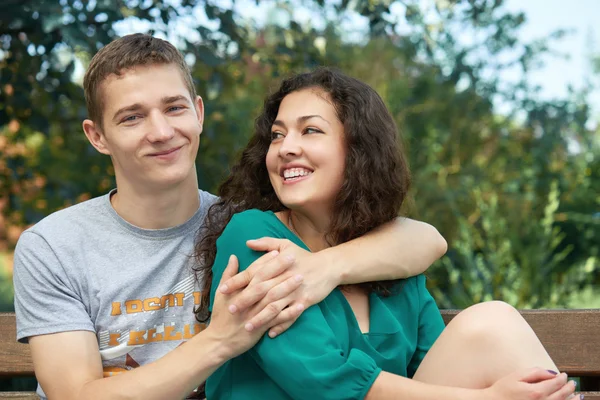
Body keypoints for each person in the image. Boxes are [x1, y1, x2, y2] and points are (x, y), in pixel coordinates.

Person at [12, 34, 448, 400]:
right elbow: (74, 396)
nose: (162, 131)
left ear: (199, 113)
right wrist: (220, 340)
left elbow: (424, 240)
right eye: (132, 117)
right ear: (98, 136)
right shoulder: (55, 246)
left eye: (175, 108)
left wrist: (324, 267)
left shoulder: (247, 227)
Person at [196, 67, 580, 400]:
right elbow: (324, 385)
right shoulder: (252, 237)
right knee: (493, 323)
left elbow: (433, 367)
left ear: (359, 150)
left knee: (494, 325)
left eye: (310, 130)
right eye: (277, 135)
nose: (286, 148)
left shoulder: (390, 262)